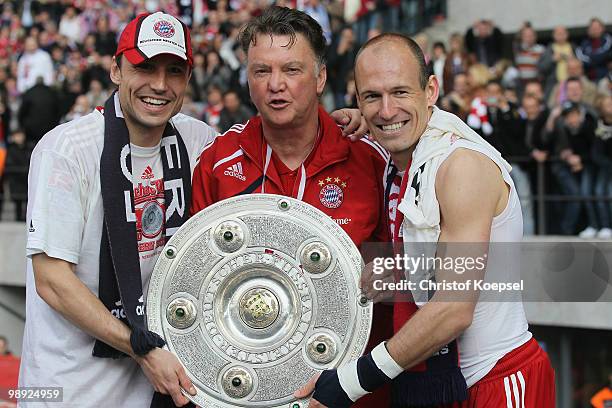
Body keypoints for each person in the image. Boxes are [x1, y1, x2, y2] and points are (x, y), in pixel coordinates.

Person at [296, 33, 555, 408]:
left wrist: (352, 381)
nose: (386, 110)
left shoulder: (460, 166)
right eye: (372, 97)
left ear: (431, 90)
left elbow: (453, 308)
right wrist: (398, 272)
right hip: (435, 388)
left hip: (495, 379)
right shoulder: (402, 155)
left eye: (400, 92)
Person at [190, 6, 392, 407]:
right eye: (261, 71)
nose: (275, 85)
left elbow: (411, 267)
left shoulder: (372, 159)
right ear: (248, 81)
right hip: (247, 391)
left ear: (320, 78)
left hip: (350, 393)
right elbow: (194, 283)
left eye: (292, 70)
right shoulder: (218, 162)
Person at [19, 12, 217, 407]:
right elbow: (53, 280)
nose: (159, 85)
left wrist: (344, 125)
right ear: (115, 69)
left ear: (188, 80)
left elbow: (268, 146)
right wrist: (141, 347)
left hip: (154, 389)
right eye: (144, 67)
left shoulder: (200, 141)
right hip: (67, 390)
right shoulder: (67, 149)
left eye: (174, 71)